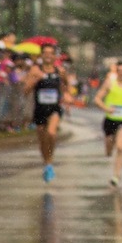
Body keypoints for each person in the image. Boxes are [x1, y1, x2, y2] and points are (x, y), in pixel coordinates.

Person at [23, 44, 70, 183]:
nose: (48, 55)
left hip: (54, 108)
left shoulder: (60, 70)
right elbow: (25, 91)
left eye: (51, 53)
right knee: (42, 139)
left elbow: (66, 85)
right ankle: (47, 163)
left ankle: (50, 162)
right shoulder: (35, 70)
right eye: (45, 53)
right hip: (40, 109)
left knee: (51, 133)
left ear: (55, 56)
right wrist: (36, 80)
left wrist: (67, 95)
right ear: (41, 55)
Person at [94, 60, 122, 187]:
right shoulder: (110, 83)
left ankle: (116, 177)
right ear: (117, 71)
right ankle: (108, 148)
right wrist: (106, 108)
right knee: (109, 149)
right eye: (121, 71)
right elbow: (97, 99)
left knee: (120, 147)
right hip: (110, 120)